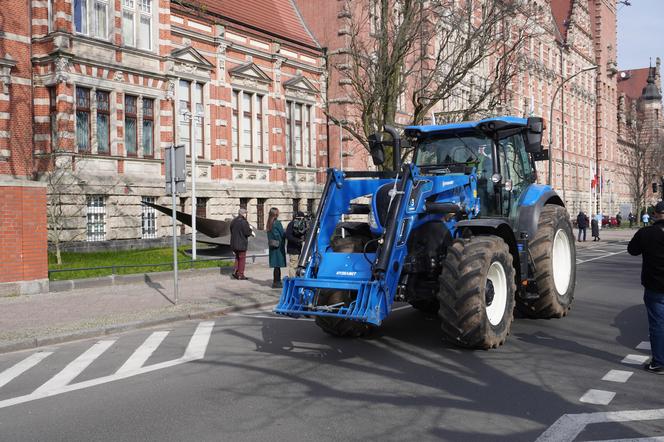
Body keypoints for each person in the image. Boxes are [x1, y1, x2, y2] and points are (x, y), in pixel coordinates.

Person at [628, 201, 664, 374]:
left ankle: (659, 362)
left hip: (655, 286)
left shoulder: (647, 233)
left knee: (657, 324)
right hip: (654, 287)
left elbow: (632, 250)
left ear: (656, 214)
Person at [230, 207, 253, 280]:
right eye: (246, 213)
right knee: (242, 259)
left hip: (234, 243)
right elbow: (247, 232)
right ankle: (240, 274)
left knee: (237, 258)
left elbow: (231, 230)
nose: (246, 215)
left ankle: (235, 272)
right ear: (243, 214)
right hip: (241, 243)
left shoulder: (233, 221)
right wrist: (251, 230)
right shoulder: (244, 222)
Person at [266, 207, 286, 288]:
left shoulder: (269, 223)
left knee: (276, 265)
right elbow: (282, 233)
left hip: (272, 245)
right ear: (276, 214)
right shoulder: (277, 223)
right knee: (278, 264)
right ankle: (277, 282)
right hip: (278, 245)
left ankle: (276, 281)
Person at [285, 211, 306, 278]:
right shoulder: (291, 224)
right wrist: (298, 240)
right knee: (293, 265)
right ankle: (292, 280)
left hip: (297, 248)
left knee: (297, 265)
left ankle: (296, 278)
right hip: (293, 248)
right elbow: (288, 236)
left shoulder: (300, 224)